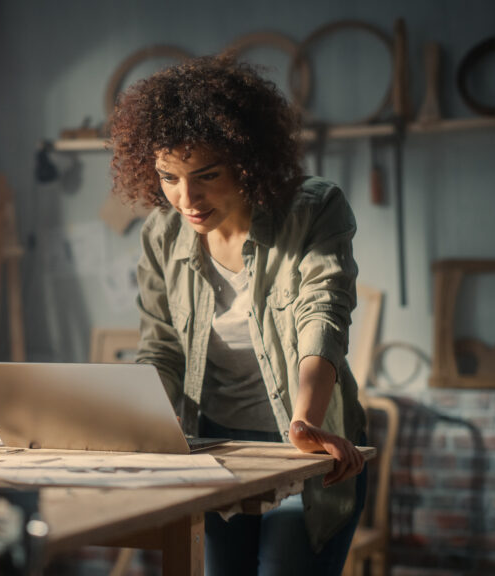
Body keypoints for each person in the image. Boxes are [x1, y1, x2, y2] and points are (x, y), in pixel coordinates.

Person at [108, 56, 368, 576]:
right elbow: (160, 349)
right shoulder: (161, 235)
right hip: (216, 448)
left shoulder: (313, 209)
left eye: (207, 175)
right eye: (169, 177)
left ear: (247, 161)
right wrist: (134, 426)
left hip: (304, 444)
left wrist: (306, 422)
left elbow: (323, 316)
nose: (187, 198)